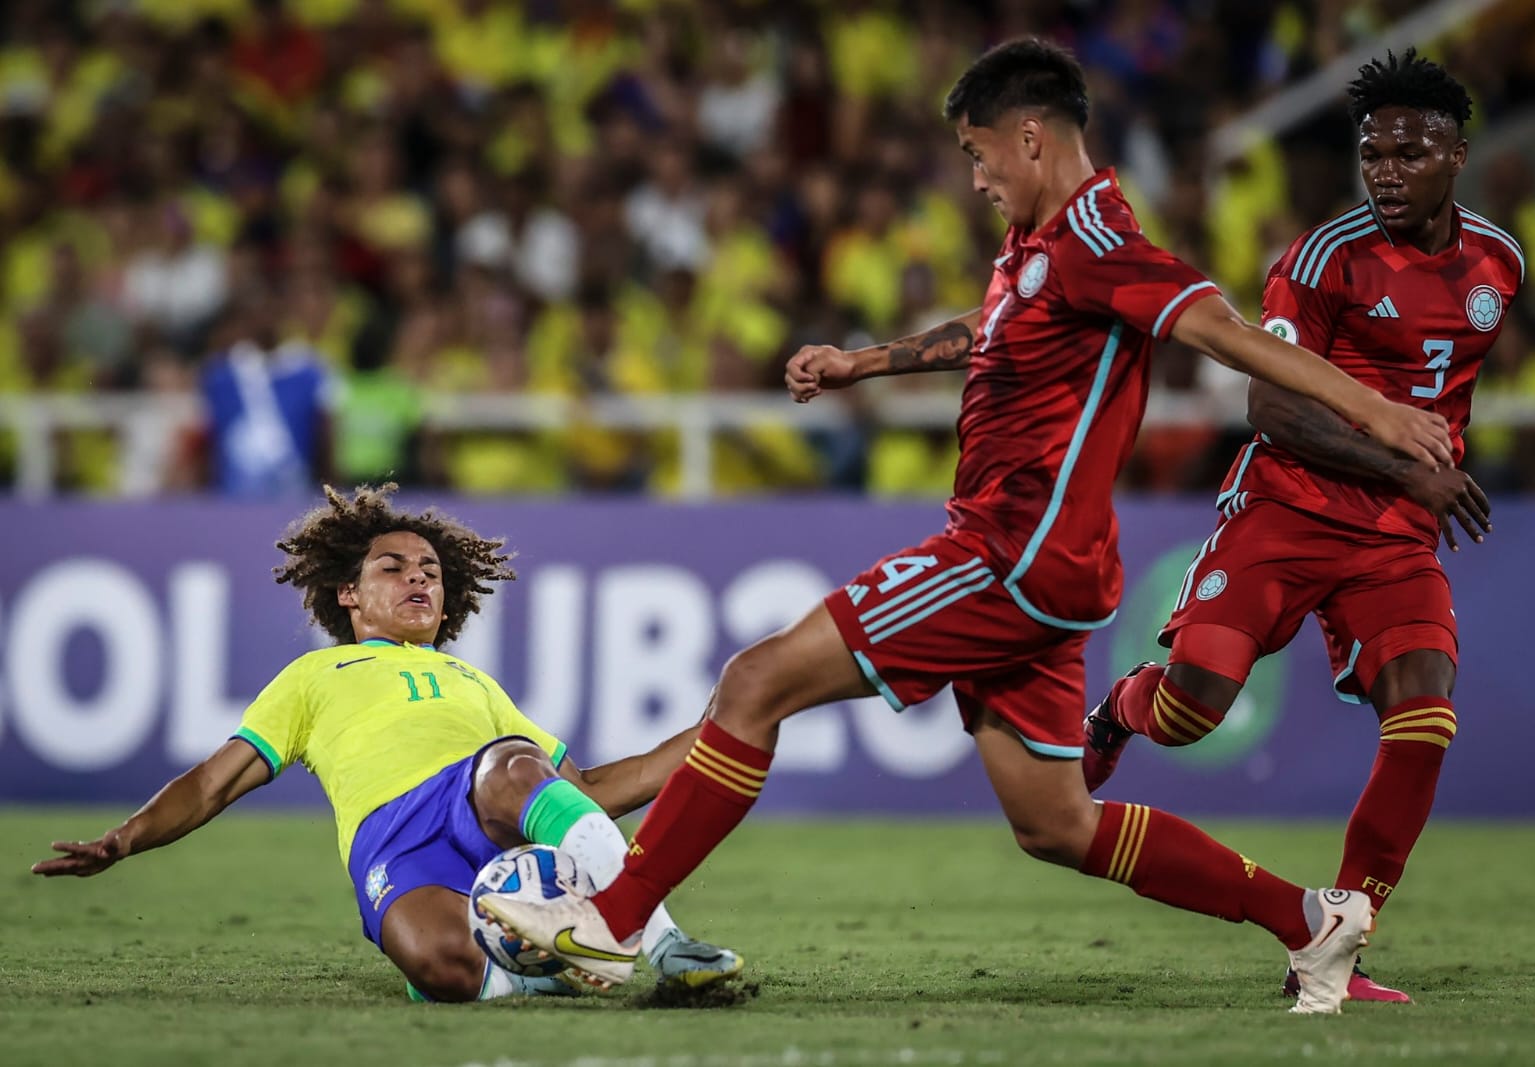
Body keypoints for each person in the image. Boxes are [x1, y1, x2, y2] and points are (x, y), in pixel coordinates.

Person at [473, 38, 1455, 1015]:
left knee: (754, 680)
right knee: (1056, 823)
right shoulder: (1043, 245)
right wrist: (869, 361)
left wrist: (1384, 414)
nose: (977, 178)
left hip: (1005, 555)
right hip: (1045, 568)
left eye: (980, 155)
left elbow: (1228, 334)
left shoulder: (1105, 247)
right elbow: (990, 332)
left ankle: (610, 920)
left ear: (1030, 139)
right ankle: (1312, 920)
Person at [1075, 49, 1521, 1004]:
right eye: (1373, 155)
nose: (1387, 172)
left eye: (1409, 153)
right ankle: (1123, 706)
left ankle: (1337, 937)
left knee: (1426, 707)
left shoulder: (1500, 265)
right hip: (1288, 505)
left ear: (1457, 155)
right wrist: (1411, 464)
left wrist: (1418, 481)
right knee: (1193, 709)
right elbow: (1272, 409)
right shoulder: (1322, 260)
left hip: (1397, 532)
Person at [32, 484, 743, 1003]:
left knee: (509, 763)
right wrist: (124, 839)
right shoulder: (315, 675)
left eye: (431, 571)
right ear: (349, 593)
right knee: (436, 965)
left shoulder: (472, 680)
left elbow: (583, 791)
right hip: (395, 843)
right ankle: (539, 970)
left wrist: (725, 726)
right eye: (395, 568)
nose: (418, 578)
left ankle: (663, 941)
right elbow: (214, 781)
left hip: (477, 803)